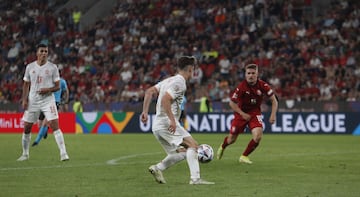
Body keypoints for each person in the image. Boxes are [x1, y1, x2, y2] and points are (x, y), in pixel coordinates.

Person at [140, 56, 214, 185]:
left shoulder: (168, 80)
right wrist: (173, 121)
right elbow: (165, 100)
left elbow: (149, 91)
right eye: (192, 70)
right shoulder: (180, 83)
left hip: (157, 125)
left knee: (182, 152)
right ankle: (195, 179)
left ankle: (158, 168)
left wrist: (145, 112)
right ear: (190, 69)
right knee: (193, 146)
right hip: (167, 123)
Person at [17, 43, 69, 161]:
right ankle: (25, 154)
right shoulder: (30, 67)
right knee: (27, 127)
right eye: (42, 51)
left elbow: (57, 86)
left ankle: (63, 153)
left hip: (48, 100)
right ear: (37, 53)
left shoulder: (53, 67)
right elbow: (26, 84)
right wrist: (24, 99)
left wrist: (48, 90)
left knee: (55, 125)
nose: (44, 53)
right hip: (33, 101)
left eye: (46, 51)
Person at [216, 63, 278, 164]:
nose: (251, 75)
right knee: (231, 139)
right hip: (241, 113)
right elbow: (231, 103)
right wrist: (242, 113)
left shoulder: (263, 85)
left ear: (257, 74)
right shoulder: (241, 87)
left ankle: (244, 156)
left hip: (254, 113)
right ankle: (222, 147)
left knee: (258, 135)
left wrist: (273, 114)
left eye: (253, 73)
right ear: (245, 75)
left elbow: (274, 101)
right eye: (248, 73)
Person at [32, 76, 69, 147]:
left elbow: (66, 90)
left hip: (54, 103)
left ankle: (36, 141)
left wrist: (66, 100)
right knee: (39, 124)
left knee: (45, 122)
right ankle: (45, 131)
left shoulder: (62, 81)